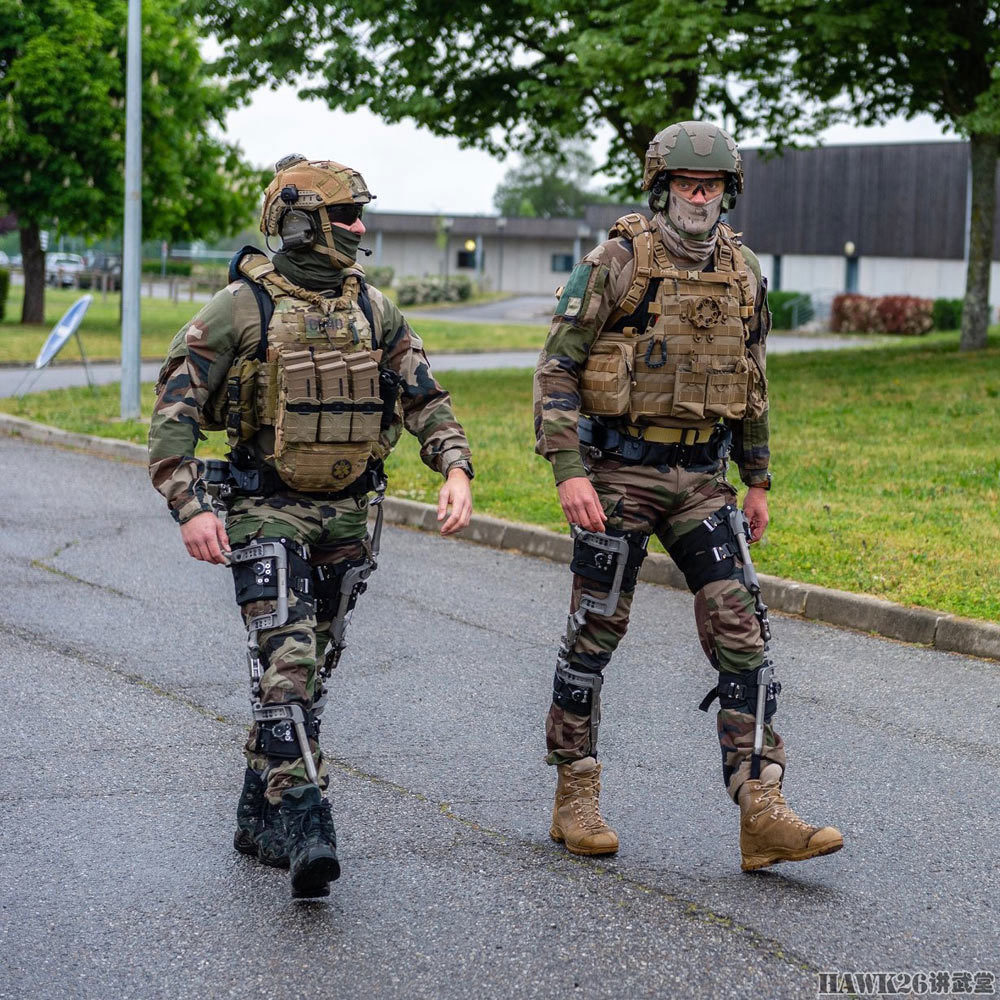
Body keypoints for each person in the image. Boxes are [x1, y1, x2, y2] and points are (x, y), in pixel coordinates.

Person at [148, 155, 474, 898]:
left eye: (361, 216)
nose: (360, 229)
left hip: (350, 516)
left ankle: (254, 813)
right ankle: (305, 820)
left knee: (308, 678)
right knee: (288, 662)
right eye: (346, 217)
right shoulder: (239, 308)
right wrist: (192, 508)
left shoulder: (374, 309)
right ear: (302, 223)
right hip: (265, 510)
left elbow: (424, 397)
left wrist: (454, 465)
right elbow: (172, 422)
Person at [533, 121, 843, 871]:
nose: (698, 196)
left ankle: (760, 806)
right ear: (661, 187)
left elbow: (754, 378)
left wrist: (758, 477)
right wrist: (569, 469)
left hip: (705, 480)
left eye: (710, 185)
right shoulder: (615, 262)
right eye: (684, 184)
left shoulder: (743, 270)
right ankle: (575, 790)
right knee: (595, 630)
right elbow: (557, 371)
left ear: (727, 192)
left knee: (745, 632)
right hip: (620, 473)